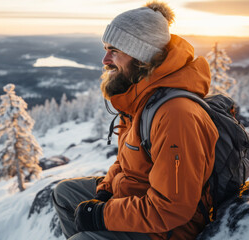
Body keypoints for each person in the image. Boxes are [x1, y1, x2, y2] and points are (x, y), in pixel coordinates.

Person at [52, 1, 219, 239]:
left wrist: (102, 215)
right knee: (65, 193)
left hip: (165, 230)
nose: (105, 59)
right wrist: (104, 192)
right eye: (106, 49)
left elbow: (173, 208)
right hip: (137, 198)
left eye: (115, 51)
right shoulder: (139, 97)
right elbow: (125, 163)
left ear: (141, 57)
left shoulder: (176, 115)